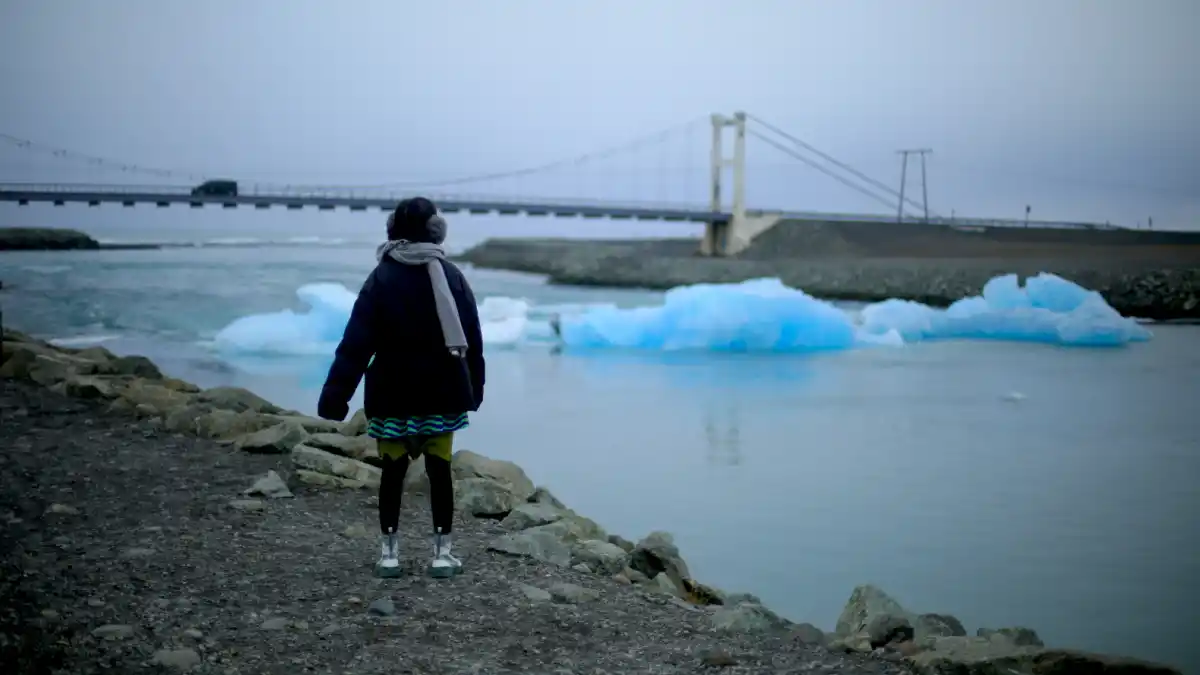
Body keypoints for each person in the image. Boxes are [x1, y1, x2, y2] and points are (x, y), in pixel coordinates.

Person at [317, 196, 485, 579]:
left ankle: (388, 554)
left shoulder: (381, 278)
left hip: (392, 395)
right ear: (436, 230)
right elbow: (472, 339)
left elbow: (356, 343)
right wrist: (474, 390)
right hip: (442, 395)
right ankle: (442, 555)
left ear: (392, 230)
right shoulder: (453, 276)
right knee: (440, 473)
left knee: (391, 474)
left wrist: (335, 397)